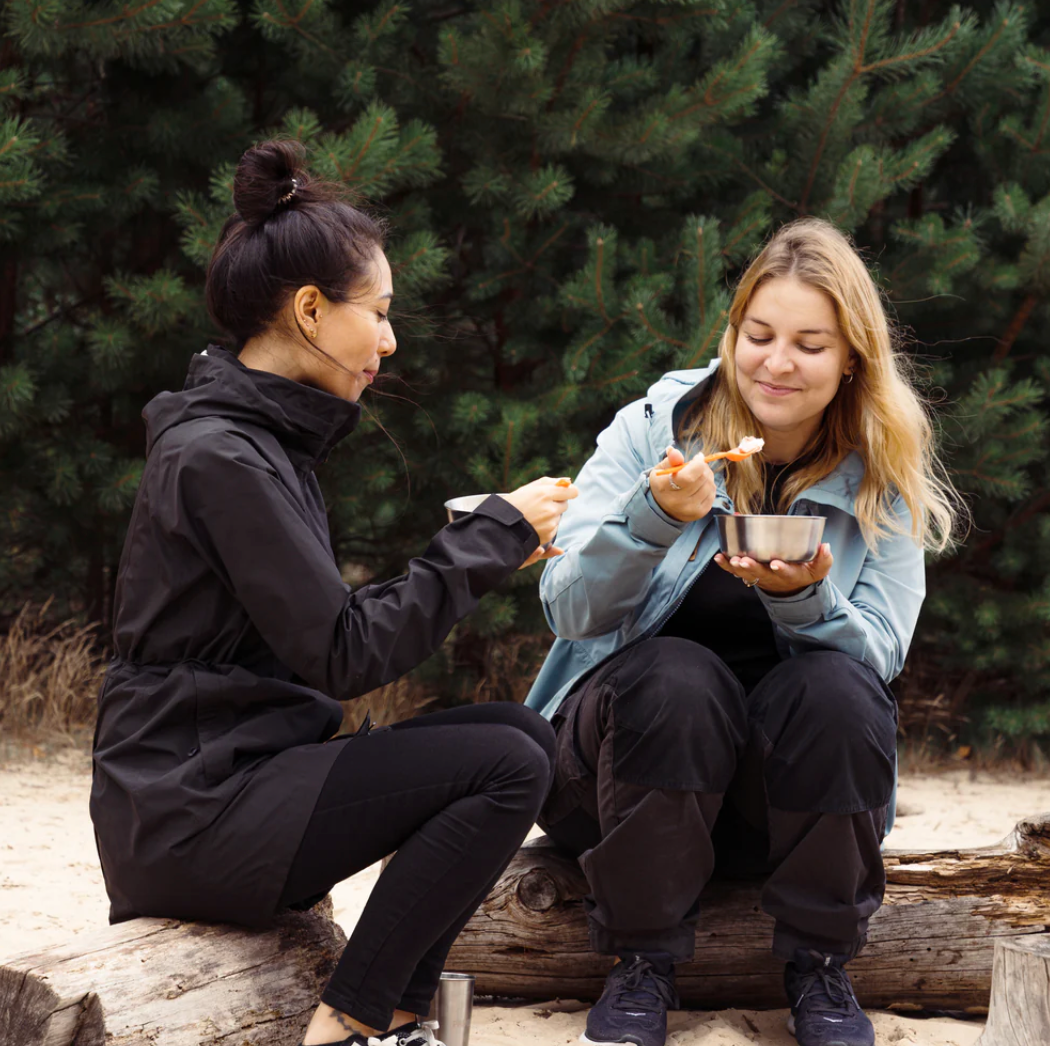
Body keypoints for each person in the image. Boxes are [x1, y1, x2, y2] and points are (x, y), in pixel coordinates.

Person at [89, 139, 578, 1046]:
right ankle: (353, 1025)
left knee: (521, 734)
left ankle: (399, 1012)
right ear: (310, 310)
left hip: (237, 781)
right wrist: (488, 537)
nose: (390, 341)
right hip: (189, 810)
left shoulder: (261, 443)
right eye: (379, 313)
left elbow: (319, 631)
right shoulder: (220, 455)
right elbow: (344, 653)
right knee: (506, 764)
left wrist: (489, 546)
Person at [524, 217, 962, 1046]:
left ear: (851, 358)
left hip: (785, 808)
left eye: (809, 344)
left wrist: (805, 602)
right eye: (758, 336)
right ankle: (641, 961)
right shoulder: (655, 427)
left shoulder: (882, 471)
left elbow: (881, 655)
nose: (777, 363)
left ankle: (820, 966)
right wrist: (652, 518)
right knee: (679, 674)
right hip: (612, 785)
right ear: (731, 336)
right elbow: (568, 606)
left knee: (837, 688)